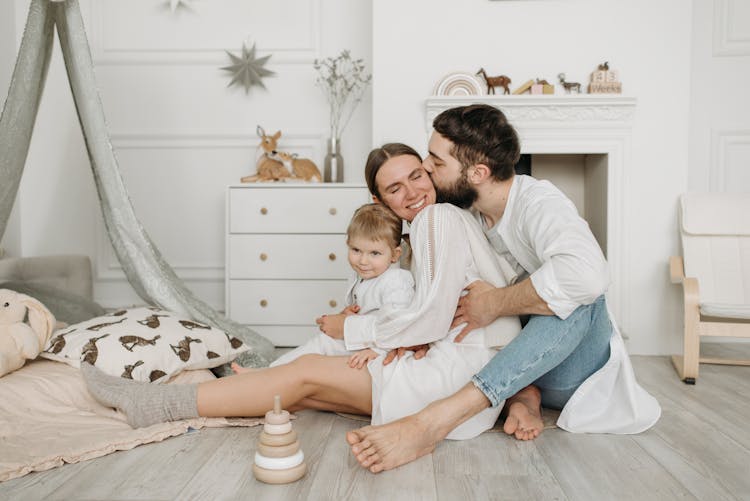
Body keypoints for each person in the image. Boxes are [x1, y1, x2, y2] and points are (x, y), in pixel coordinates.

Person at [79, 143, 522, 441]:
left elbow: (430, 314)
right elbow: (433, 307)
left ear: (431, 172)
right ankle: (243, 391)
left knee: (306, 371)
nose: (411, 191)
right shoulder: (434, 227)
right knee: (302, 393)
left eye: (417, 176)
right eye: (394, 187)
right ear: (379, 199)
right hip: (464, 370)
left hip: (458, 375)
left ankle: (156, 404)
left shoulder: (436, 219)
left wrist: (356, 329)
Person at [345, 104, 660, 473]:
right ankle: (523, 395)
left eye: (435, 161)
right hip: (513, 360)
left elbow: (588, 276)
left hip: (572, 369)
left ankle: (440, 419)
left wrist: (495, 303)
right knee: (553, 297)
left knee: (583, 297)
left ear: (477, 172)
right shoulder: (461, 211)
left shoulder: (538, 203)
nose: (426, 168)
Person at [267, 203, 415, 370]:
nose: (363, 261)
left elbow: (398, 323)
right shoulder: (361, 276)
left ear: (395, 255)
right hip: (359, 339)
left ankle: (271, 372)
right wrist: (347, 314)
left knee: (321, 346)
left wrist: (377, 350)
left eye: (375, 253)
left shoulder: (396, 280)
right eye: (356, 250)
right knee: (320, 343)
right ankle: (272, 370)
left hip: (377, 346)